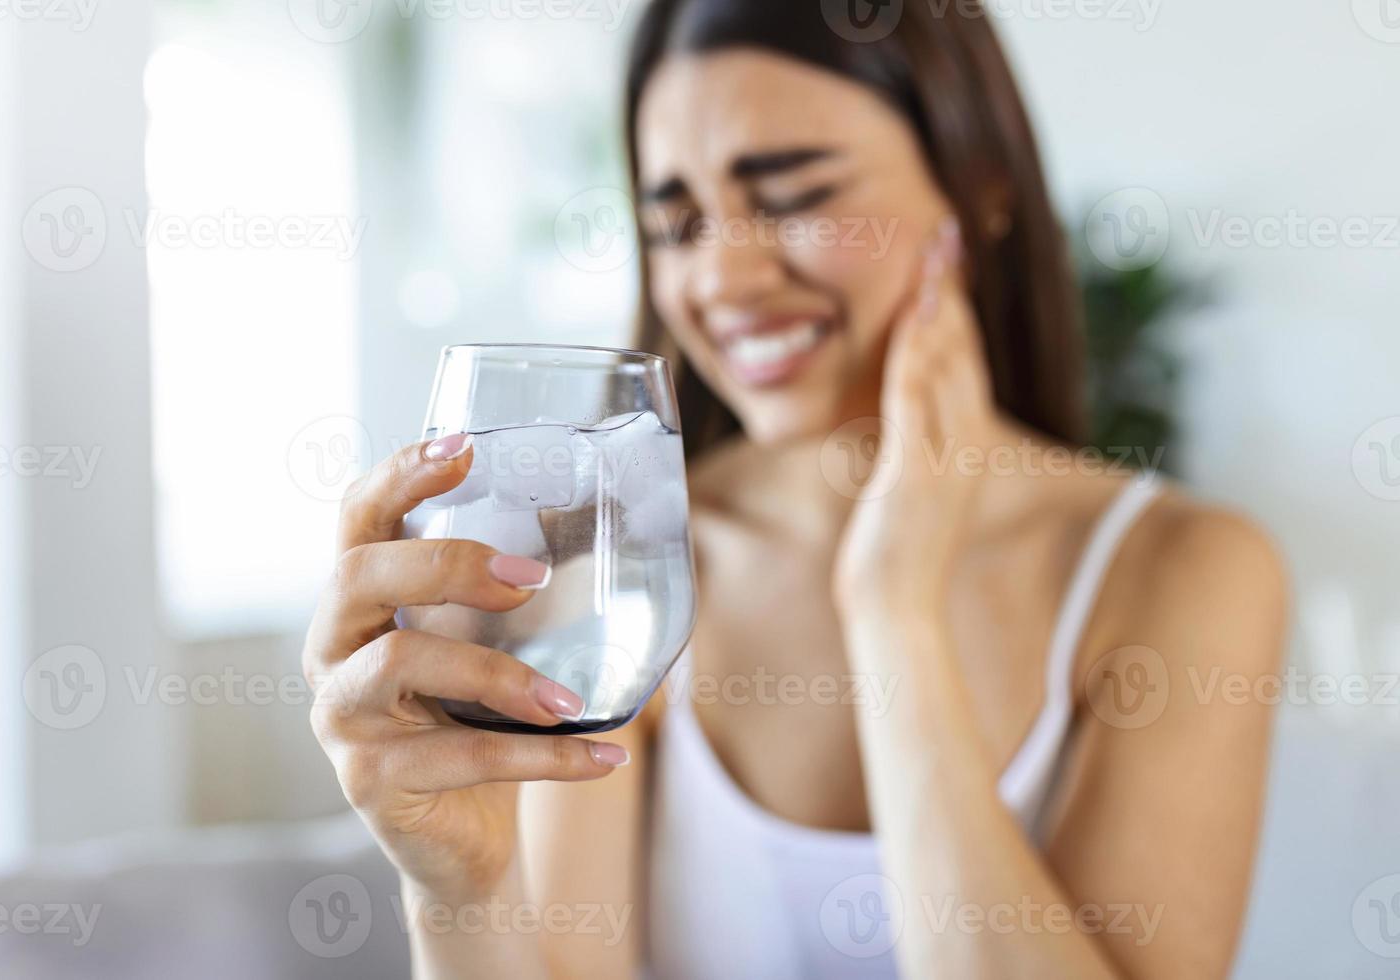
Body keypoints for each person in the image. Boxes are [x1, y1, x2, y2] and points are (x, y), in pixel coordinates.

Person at [303, 1, 1287, 976]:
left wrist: (896, 608)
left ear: (980, 191)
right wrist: (462, 889)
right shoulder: (627, 570)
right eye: (678, 221)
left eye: (794, 195)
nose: (723, 274)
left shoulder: (1184, 570)